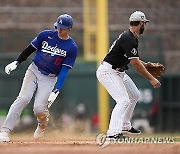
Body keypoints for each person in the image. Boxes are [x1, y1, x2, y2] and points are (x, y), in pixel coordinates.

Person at [0, 14, 78, 142]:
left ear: (69, 29)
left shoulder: (72, 47)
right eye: (58, 27)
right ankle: (4, 131)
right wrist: (17, 61)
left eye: (63, 28)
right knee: (23, 99)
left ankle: (42, 124)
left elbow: (64, 70)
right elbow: (30, 49)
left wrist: (57, 90)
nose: (59, 30)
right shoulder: (45, 35)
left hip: (50, 78)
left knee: (39, 109)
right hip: (34, 70)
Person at [96, 11, 161, 139]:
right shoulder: (129, 38)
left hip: (119, 71)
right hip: (108, 71)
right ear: (141, 23)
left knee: (134, 95)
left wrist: (146, 65)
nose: (144, 26)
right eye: (144, 23)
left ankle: (125, 125)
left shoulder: (130, 36)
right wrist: (151, 78)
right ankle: (113, 132)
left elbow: (134, 59)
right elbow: (135, 64)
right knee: (122, 100)